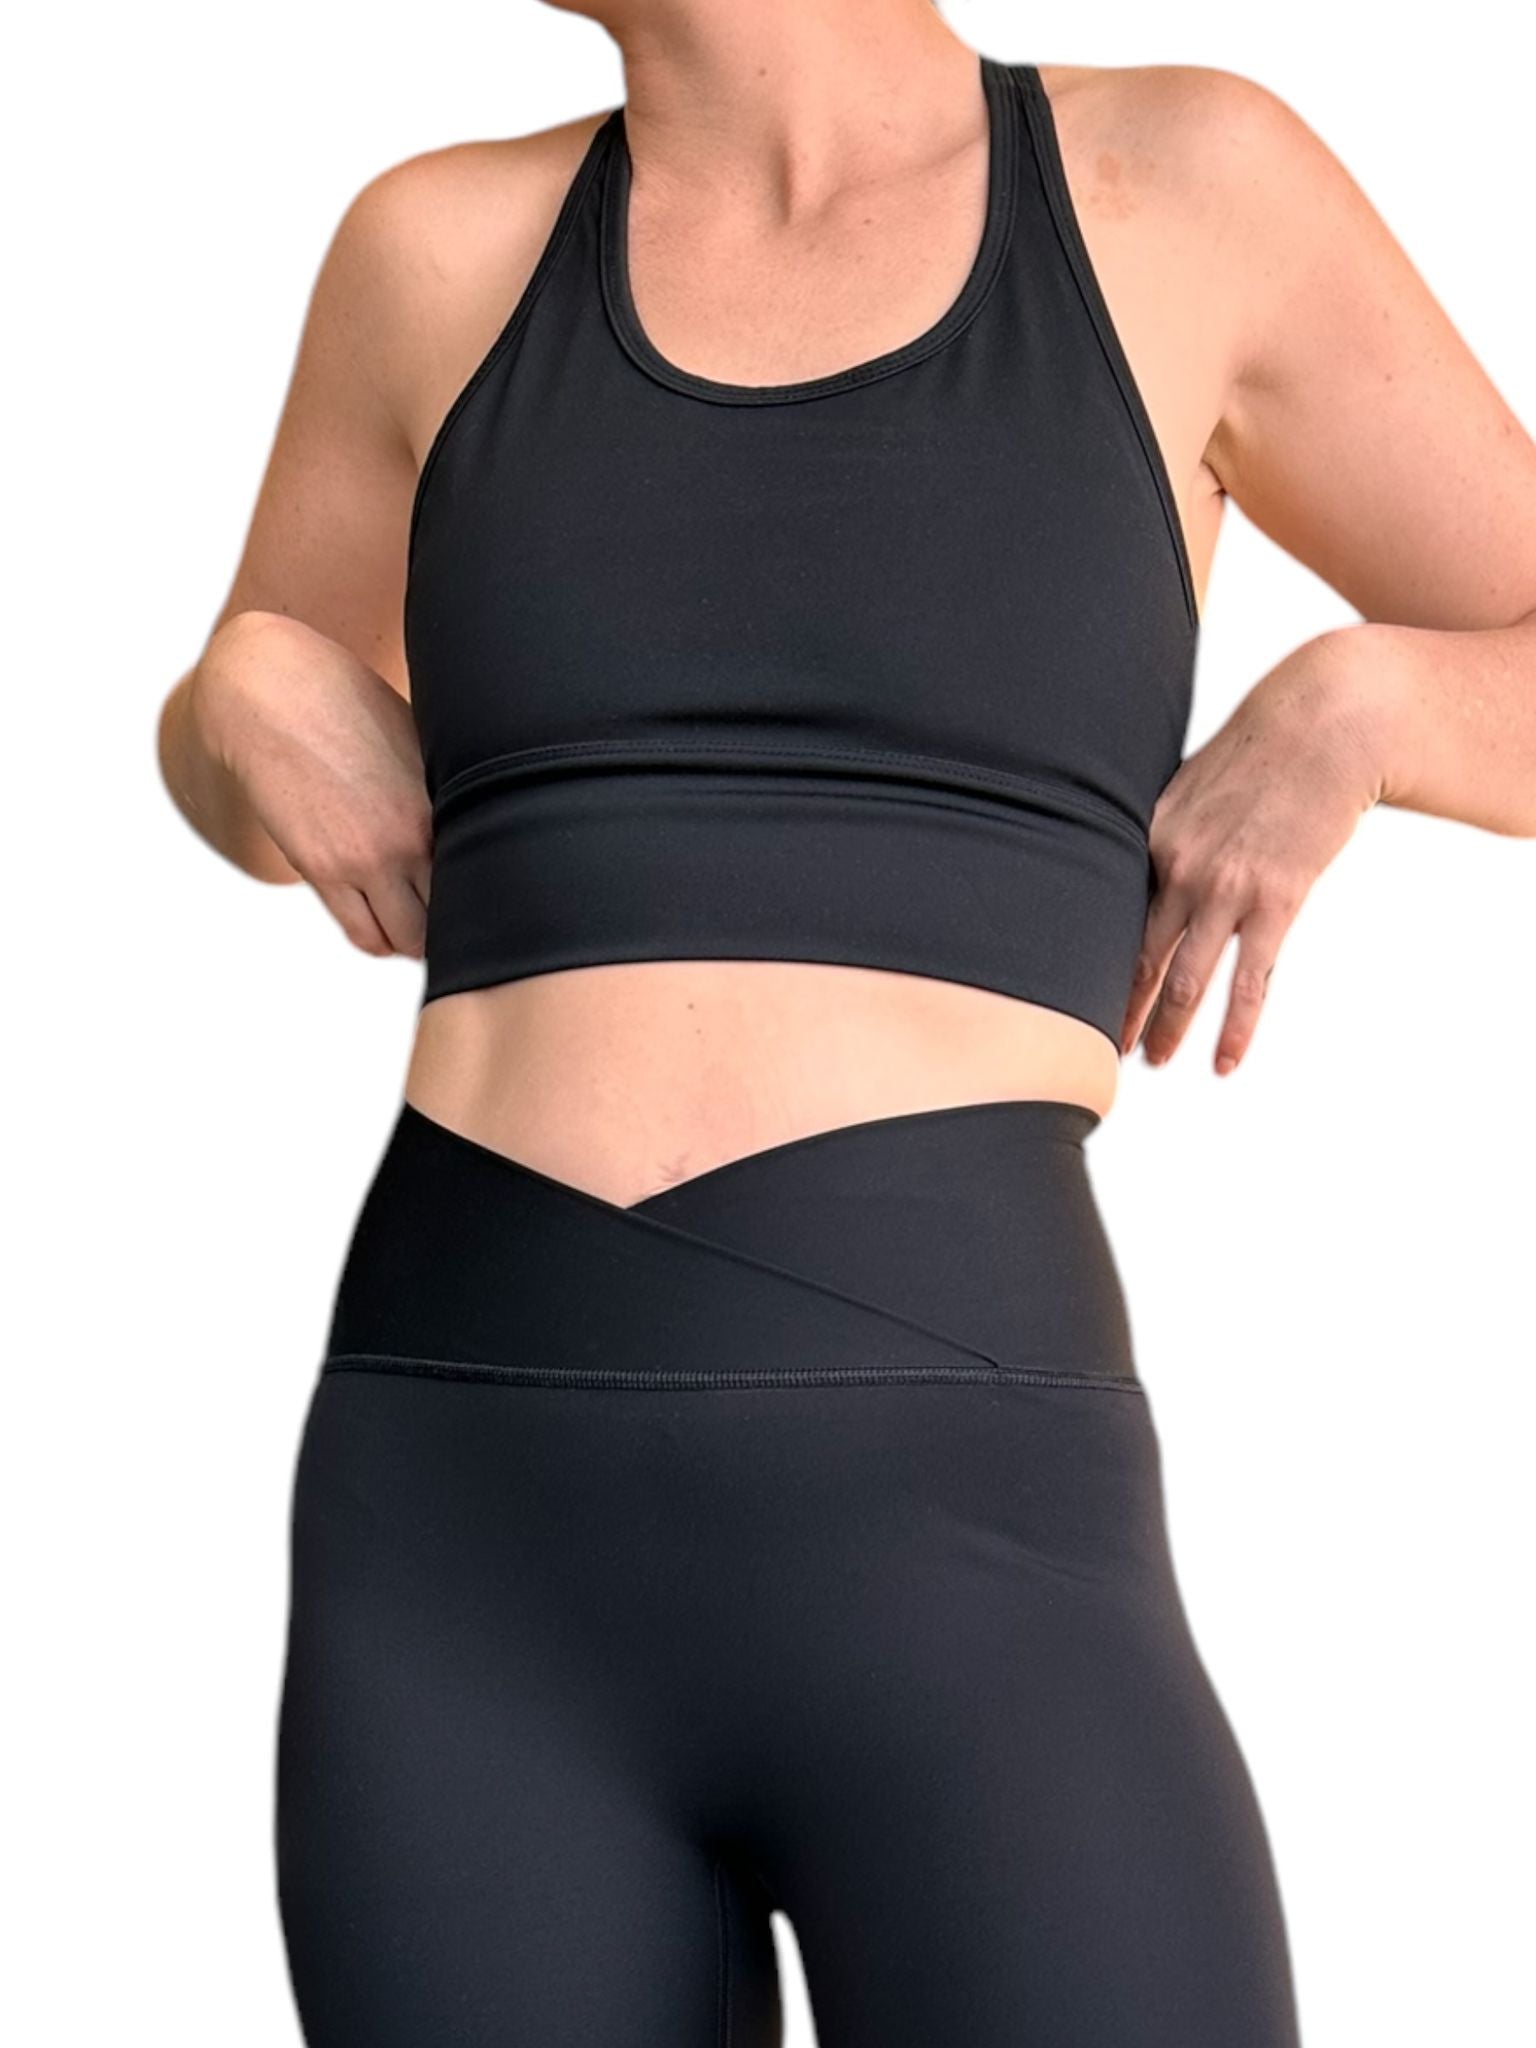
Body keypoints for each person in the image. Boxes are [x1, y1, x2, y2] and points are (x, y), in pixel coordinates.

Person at [155, 4, 1536, 2042]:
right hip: (455, 1541)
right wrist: (237, 692)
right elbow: (250, 794)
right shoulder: (430, 250)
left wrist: (1371, 701)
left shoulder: (1184, 186)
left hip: (969, 1528)